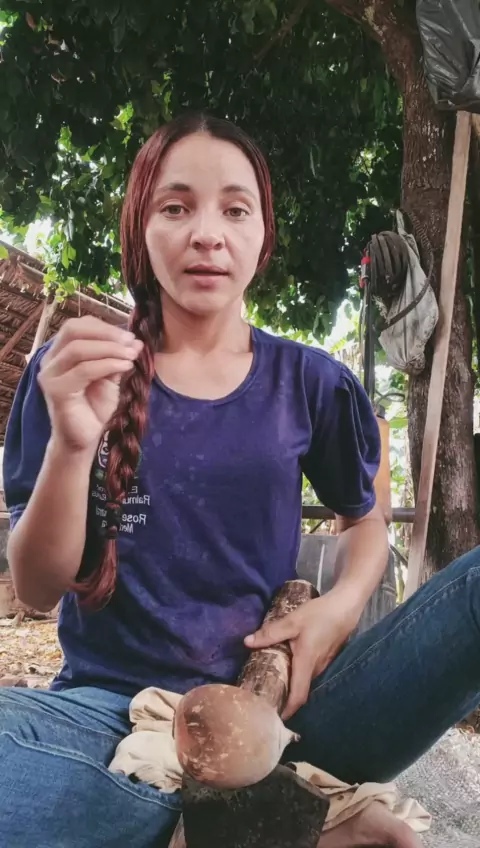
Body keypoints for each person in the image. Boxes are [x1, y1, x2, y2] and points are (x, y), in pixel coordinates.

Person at [0, 112, 478, 848]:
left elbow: (364, 521)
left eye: (234, 209)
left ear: (263, 235)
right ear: (140, 227)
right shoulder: (80, 373)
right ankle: (275, 820)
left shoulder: (310, 382)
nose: (206, 234)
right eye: (176, 207)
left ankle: (224, 811)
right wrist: (71, 443)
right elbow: (35, 589)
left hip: (292, 711)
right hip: (115, 717)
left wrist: (340, 608)